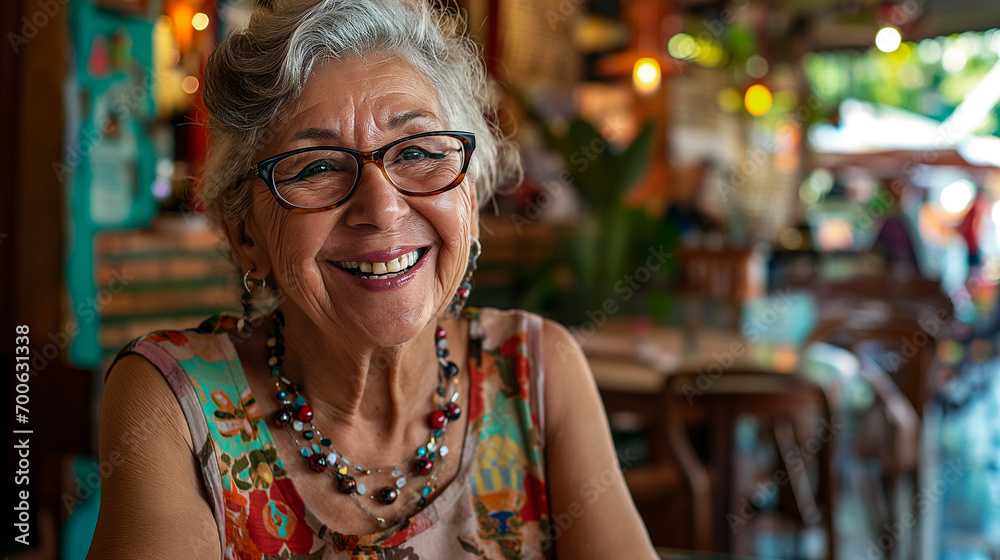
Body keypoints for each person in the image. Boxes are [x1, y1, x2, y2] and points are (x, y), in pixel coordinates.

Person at [85, 1, 656, 559]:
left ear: (471, 202)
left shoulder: (537, 373)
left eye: (418, 152)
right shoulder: (174, 403)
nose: (382, 208)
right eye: (318, 167)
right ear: (246, 235)